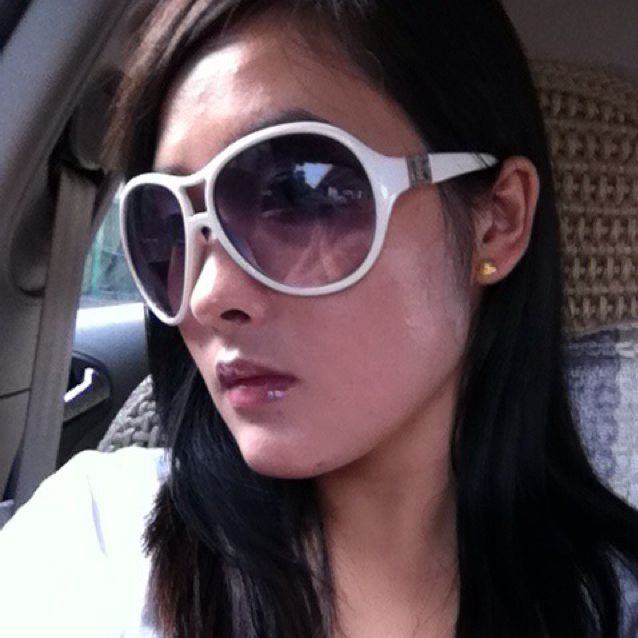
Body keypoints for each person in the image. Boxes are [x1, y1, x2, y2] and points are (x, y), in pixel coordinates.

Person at [1, 1, 638, 636]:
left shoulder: (613, 601)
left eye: (298, 194)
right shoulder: (91, 548)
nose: (205, 294)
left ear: (497, 221)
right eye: (168, 224)